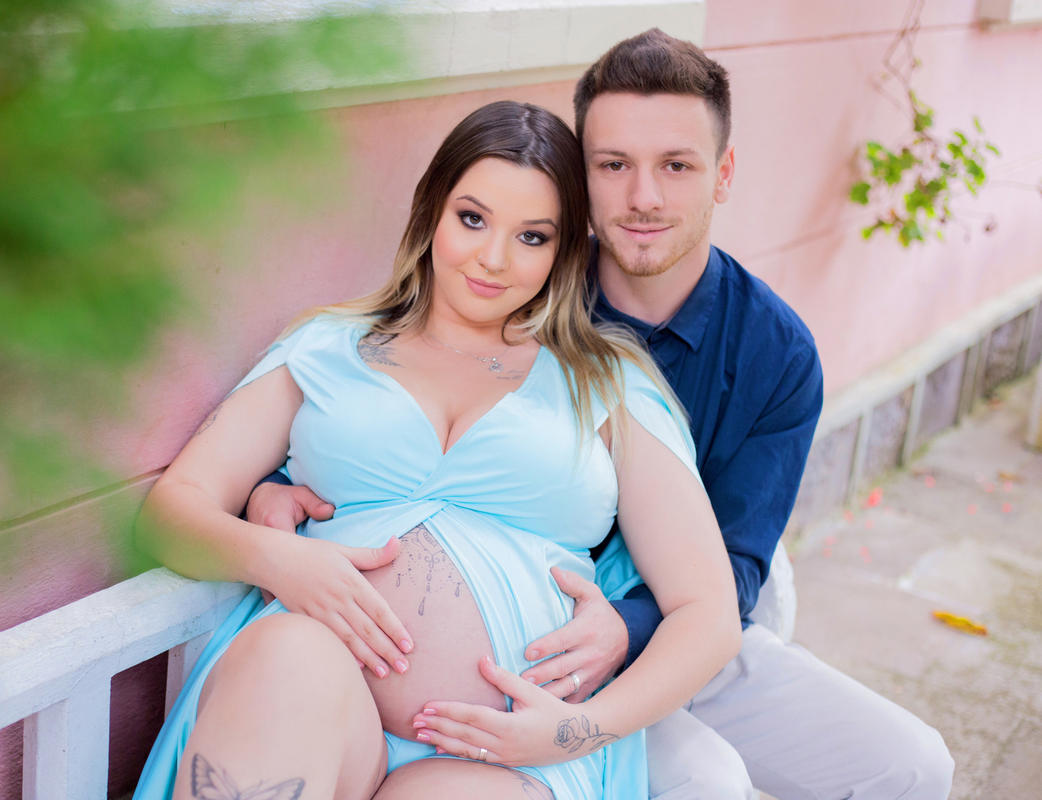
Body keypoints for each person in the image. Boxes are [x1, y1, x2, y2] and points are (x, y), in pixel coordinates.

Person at [250, 29, 956, 800]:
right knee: (707, 783)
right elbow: (395, 408)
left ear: (722, 173)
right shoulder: (516, 278)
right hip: (526, 650)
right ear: (579, 179)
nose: (643, 198)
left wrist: (626, 627)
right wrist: (275, 484)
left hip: (668, 637)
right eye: (613, 166)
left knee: (915, 764)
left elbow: (736, 571)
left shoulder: (776, 353)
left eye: (676, 166)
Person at [133, 100, 740, 800]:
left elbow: (709, 615)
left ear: (568, 249)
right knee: (282, 659)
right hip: (318, 694)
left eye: (532, 237)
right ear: (431, 212)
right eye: (473, 219)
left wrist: (575, 729)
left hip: (507, 752)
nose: (493, 259)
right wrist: (282, 560)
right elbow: (170, 510)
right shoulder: (329, 347)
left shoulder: (608, 384)